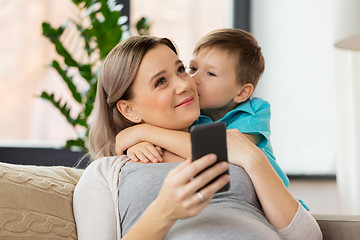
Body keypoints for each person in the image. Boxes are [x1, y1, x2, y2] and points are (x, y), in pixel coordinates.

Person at [73, 35, 322, 239]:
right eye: (160, 82)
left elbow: (308, 236)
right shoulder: (106, 172)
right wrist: (163, 213)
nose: (185, 84)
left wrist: (254, 160)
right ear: (129, 109)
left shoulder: (236, 140)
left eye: (180, 70)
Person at [114, 28, 289, 190]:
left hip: (274, 208)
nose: (192, 80)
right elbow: (185, 151)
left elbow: (219, 154)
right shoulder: (192, 116)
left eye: (210, 74)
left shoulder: (254, 112)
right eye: (192, 68)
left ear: (242, 92)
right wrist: (141, 148)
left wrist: (143, 133)